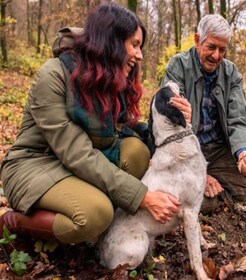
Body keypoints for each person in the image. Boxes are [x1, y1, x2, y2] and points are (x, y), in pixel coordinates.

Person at [0, 3, 191, 245]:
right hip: (33, 164)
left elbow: (126, 127)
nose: (140, 55)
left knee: (136, 152)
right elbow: (77, 154)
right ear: (110, 43)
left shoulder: (105, 78)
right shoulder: (53, 76)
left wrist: (175, 123)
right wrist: (143, 197)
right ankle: (12, 222)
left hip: (71, 164)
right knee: (96, 213)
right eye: (134, 45)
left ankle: (96, 221)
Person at [161, 14, 246, 212]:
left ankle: (210, 188)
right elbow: (171, 125)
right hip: (188, 151)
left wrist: (243, 153)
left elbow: (239, 118)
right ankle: (199, 187)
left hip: (218, 150)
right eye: (211, 47)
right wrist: (199, 171)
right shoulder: (178, 67)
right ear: (198, 40)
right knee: (206, 204)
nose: (216, 55)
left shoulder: (231, 73)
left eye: (222, 50)